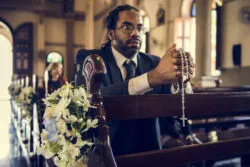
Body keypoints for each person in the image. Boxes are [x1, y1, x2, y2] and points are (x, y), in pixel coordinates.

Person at [75, 5, 195, 156]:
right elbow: (87, 101)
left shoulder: (154, 62)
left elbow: (177, 101)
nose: (135, 33)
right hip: (108, 152)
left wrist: (181, 80)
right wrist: (151, 78)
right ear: (111, 34)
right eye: (127, 27)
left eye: (139, 28)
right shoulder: (91, 60)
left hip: (149, 151)